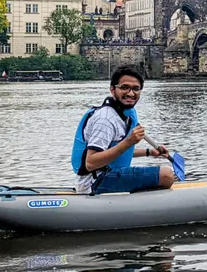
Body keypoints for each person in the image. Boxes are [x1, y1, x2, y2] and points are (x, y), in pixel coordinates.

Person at [71, 65, 176, 194]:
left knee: (164, 175)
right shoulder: (105, 119)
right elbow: (91, 162)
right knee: (166, 175)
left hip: (106, 176)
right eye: (125, 87)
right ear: (112, 90)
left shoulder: (125, 115)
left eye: (136, 89)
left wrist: (150, 152)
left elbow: (116, 152)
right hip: (95, 182)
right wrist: (129, 142)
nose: (131, 93)